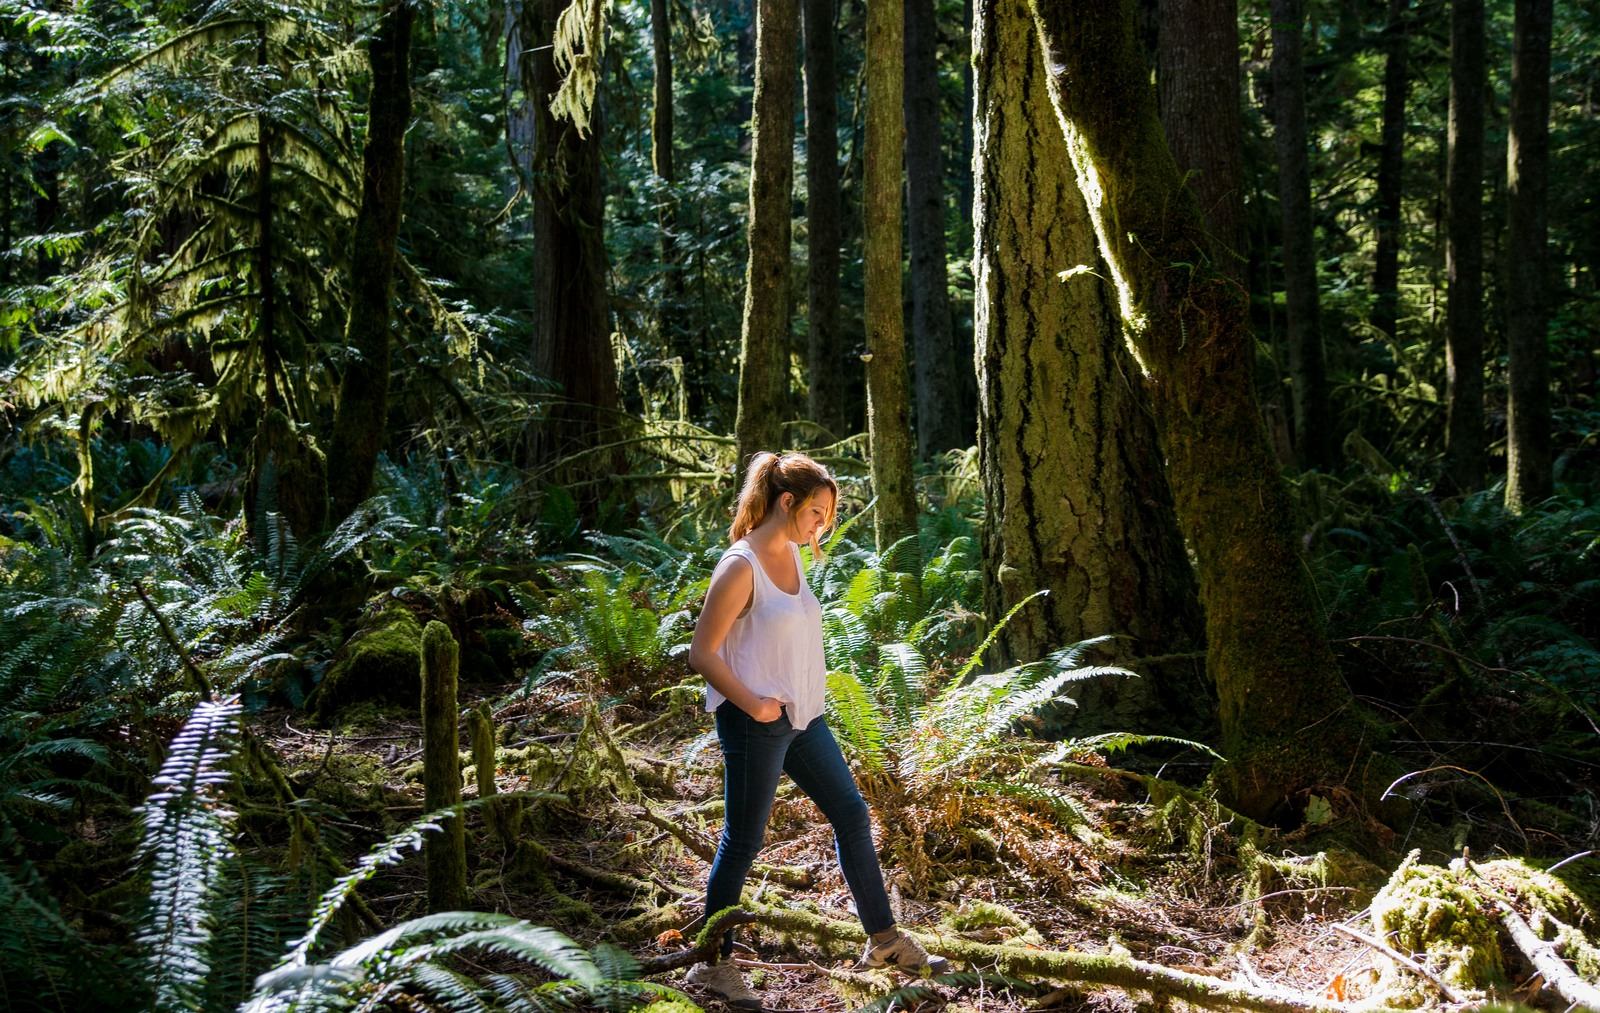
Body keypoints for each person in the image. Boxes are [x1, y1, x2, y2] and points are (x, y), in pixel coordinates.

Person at [684, 451, 949, 1010]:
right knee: (743, 839)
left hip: (803, 719)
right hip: (756, 723)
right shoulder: (741, 565)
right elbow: (701, 653)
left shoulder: (793, 556)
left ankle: (882, 941)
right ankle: (712, 964)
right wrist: (755, 706)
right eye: (817, 512)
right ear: (787, 502)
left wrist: (791, 703)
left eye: (827, 515)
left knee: (851, 813)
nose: (822, 524)